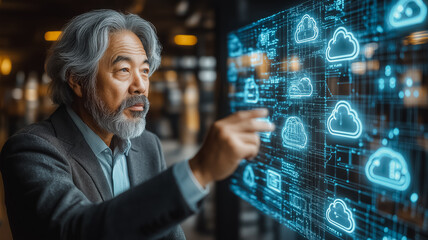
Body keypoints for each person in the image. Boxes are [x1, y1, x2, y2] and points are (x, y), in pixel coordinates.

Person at [0, 9, 274, 240]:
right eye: (123, 70)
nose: (141, 85)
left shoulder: (147, 145)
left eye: (144, 71)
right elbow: (76, 229)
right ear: (77, 80)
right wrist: (198, 171)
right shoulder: (31, 149)